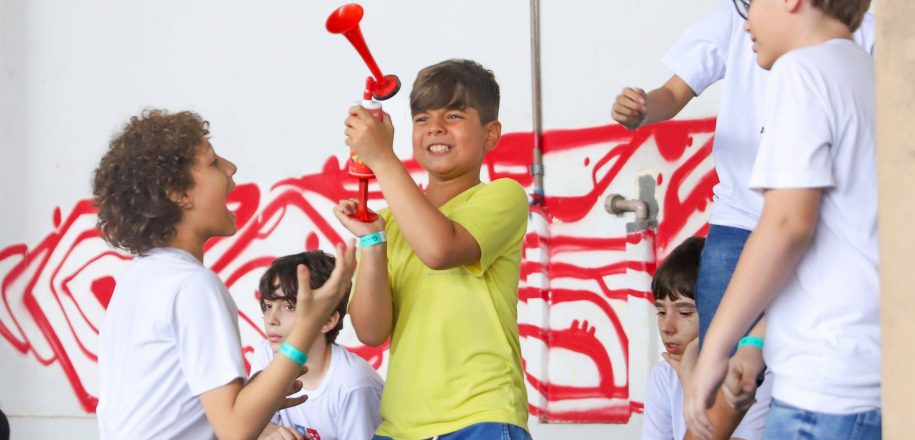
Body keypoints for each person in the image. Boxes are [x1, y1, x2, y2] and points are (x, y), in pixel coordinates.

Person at [611, 1, 874, 436]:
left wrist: (713, 351)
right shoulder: (865, 73)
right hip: (864, 375)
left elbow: (788, 225)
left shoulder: (801, 72)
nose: (745, 18)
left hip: (826, 391)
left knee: (719, 406)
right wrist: (754, 341)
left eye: (751, 4)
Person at [93, 109, 355, 439]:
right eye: (213, 162)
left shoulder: (140, 277)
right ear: (178, 192)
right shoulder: (192, 285)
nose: (231, 168)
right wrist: (308, 324)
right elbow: (235, 429)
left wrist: (261, 392)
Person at [333, 59, 531, 439]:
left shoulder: (503, 196)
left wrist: (382, 158)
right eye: (422, 118)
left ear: (491, 134)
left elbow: (440, 249)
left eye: (454, 115)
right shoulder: (391, 221)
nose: (435, 128)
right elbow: (371, 331)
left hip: (480, 418)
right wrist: (373, 241)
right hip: (399, 428)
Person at [643, 236, 771, 440]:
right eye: (661, 312)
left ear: (719, 313)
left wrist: (691, 382)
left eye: (684, 313)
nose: (667, 327)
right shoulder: (664, 375)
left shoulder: (754, 372)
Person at [250, 251, 384, 440]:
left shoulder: (354, 385)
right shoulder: (267, 354)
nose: (271, 320)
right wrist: (269, 432)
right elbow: (250, 424)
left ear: (327, 320)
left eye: (289, 306)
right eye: (268, 306)